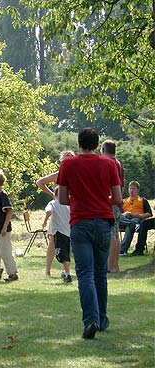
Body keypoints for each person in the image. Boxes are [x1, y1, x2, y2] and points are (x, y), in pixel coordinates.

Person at [57, 127, 122, 339]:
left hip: (80, 222)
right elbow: (118, 199)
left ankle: (91, 320)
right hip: (103, 222)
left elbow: (63, 199)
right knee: (100, 272)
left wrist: (80, 199)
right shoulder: (109, 164)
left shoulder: (67, 164)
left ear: (79, 144)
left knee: (85, 273)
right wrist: (102, 201)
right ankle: (102, 319)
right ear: (97, 145)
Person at [36, 150, 75, 276]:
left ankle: (65, 269)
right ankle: (47, 269)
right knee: (52, 239)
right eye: (63, 160)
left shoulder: (76, 175)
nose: (64, 163)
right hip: (58, 210)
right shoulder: (58, 175)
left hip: (71, 209)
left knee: (69, 240)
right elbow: (39, 182)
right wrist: (53, 194)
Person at [100, 140, 124, 272]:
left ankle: (110, 266)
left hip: (111, 202)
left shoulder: (108, 163)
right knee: (115, 233)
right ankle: (115, 265)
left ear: (103, 150)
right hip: (118, 202)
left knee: (111, 234)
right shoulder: (118, 163)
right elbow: (122, 185)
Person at [45, 187, 72, 283]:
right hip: (69, 232)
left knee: (61, 253)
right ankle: (66, 271)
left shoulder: (53, 203)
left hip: (59, 232)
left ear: (55, 195)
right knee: (67, 252)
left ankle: (67, 273)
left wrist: (44, 221)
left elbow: (49, 211)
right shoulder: (69, 205)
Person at [119, 181, 153, 256]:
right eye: (130, 188)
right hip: (124, 220)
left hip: (136, 218)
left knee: (131, 224)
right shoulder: (124, 201)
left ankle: (122, 250)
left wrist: (140, 216)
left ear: (137, 190)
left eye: (133, 189)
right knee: (121, 219)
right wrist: (124, 214)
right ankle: (135, 225)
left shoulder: (142, 200)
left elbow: (149, 214)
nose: (131, 190)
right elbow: (118, 214)